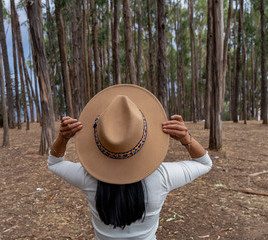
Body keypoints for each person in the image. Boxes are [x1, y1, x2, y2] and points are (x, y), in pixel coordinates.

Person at [48, 85, 212, 240]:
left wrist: (63, 138)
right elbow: (204, 163)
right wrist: (186, 139)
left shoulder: (86, 177)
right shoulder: (162, 177)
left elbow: (54, 163)